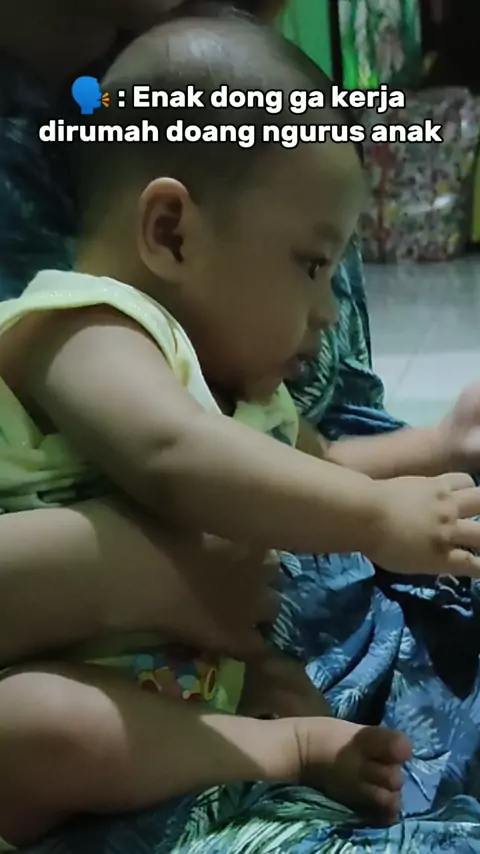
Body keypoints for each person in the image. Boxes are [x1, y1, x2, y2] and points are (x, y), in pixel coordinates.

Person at [5, 13, 480, 848]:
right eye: (311, 264)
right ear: (171, 231)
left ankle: (263, 739)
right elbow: (171, 454)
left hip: (172, 679)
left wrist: (439, 448)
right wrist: (380, 519)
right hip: (36, 681)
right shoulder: (81, 325)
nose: (327, 311)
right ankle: (280, 750)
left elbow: (318, 463)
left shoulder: (236, 388)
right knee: (39, 724)